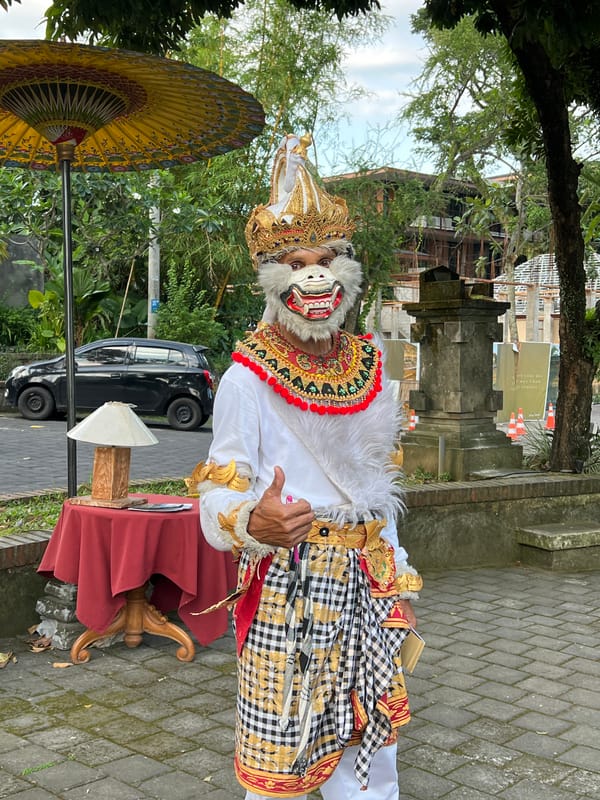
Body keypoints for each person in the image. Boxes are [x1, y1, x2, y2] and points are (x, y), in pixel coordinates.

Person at [196, 133, 422, 800]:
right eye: (296, 263)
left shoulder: (372, 368)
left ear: (345, 272)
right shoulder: (246, 379)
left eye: (326, 260)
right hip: (289, 584)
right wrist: (251, 520)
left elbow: (380, 490)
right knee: (283, 761)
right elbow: (214, 497)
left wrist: (399, 577)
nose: (315, 275)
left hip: (367, 582)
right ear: (272, 278)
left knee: (372, 751)